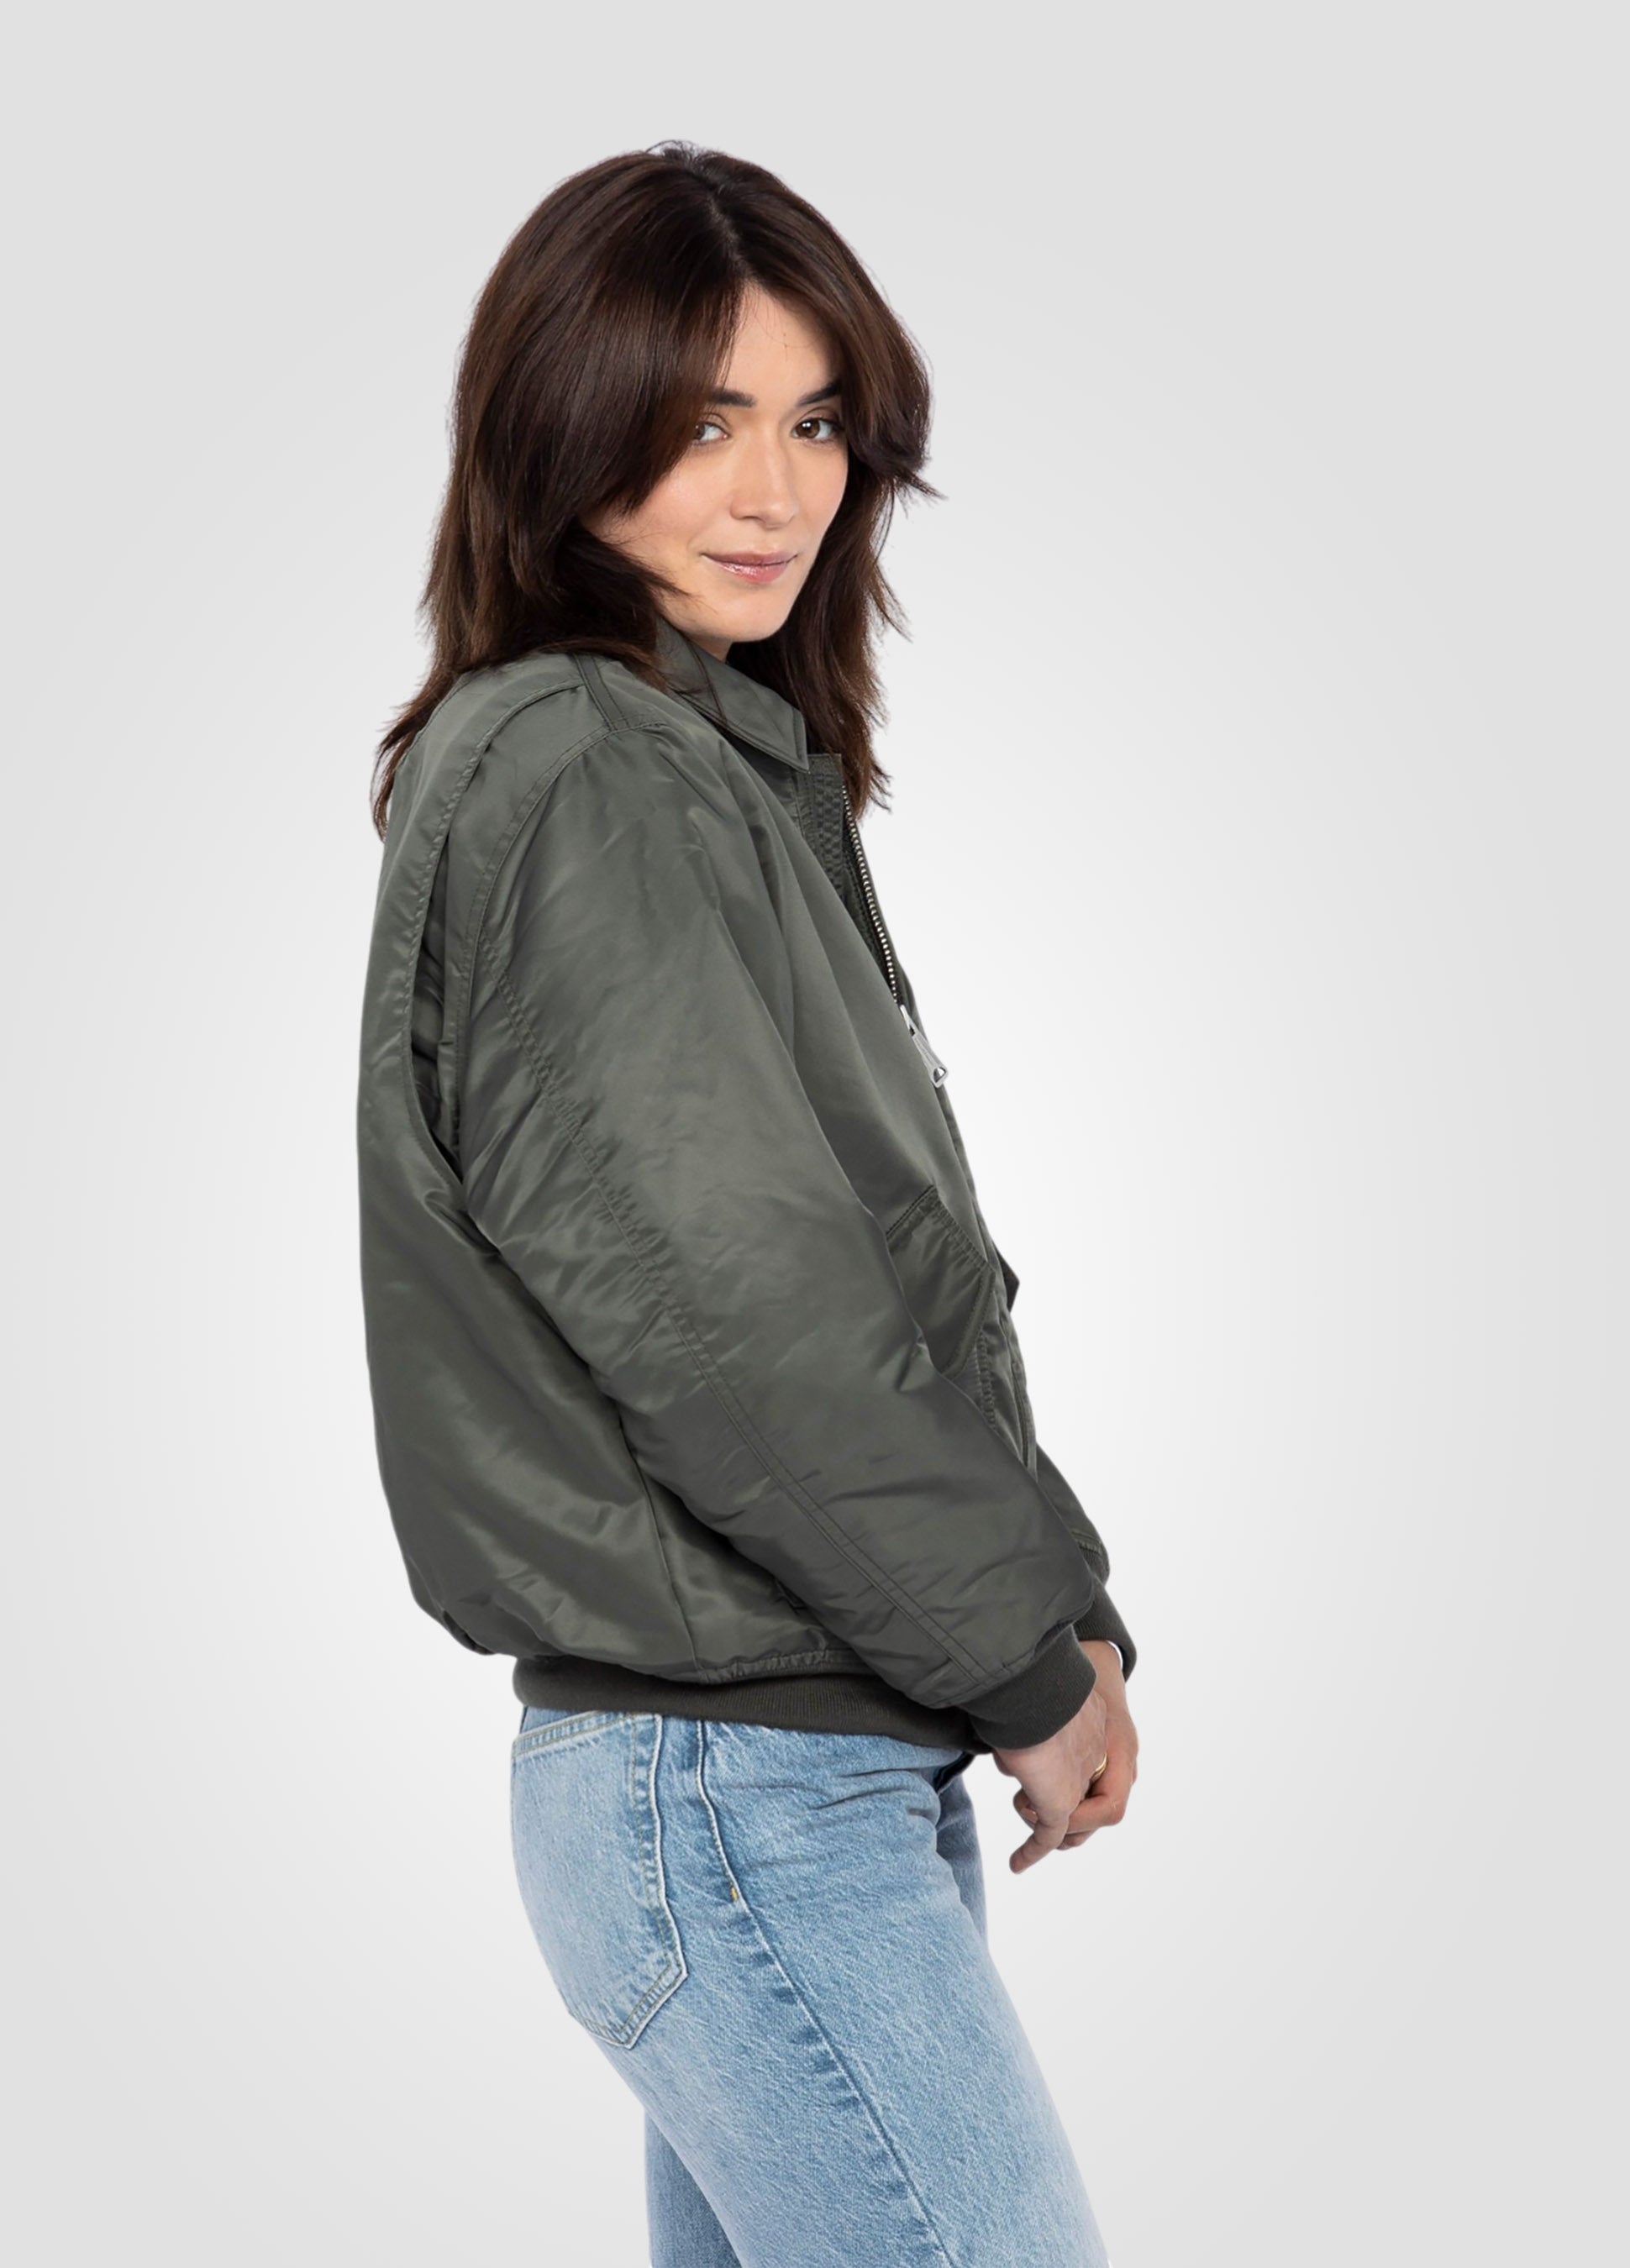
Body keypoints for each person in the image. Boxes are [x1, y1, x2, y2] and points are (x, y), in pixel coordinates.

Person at [357, 139, 1140, 2267]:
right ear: (564, 429)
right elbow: (744, 1330)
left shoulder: (699, 763)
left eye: (815, 423)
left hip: (783, 1774)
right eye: (703, 424)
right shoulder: (590, 773)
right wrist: (1027, 1661)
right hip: (738, 1794)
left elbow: (873, 1282)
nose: (775, 490)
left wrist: (1055, 1605)